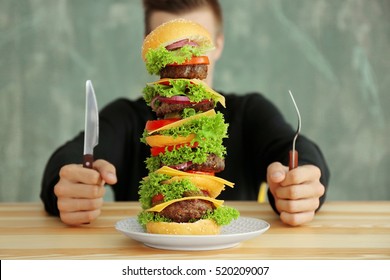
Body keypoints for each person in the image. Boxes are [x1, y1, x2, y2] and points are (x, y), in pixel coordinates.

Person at [41, 0, 330, 227]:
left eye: (194, 47)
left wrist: (298, 185)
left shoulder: (249, 112)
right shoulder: (126, 116)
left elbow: (296, 147)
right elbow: (68, 158)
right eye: (173, 48)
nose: (184, 59)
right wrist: (66, 187)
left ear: (217, 46)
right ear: (150, 48)